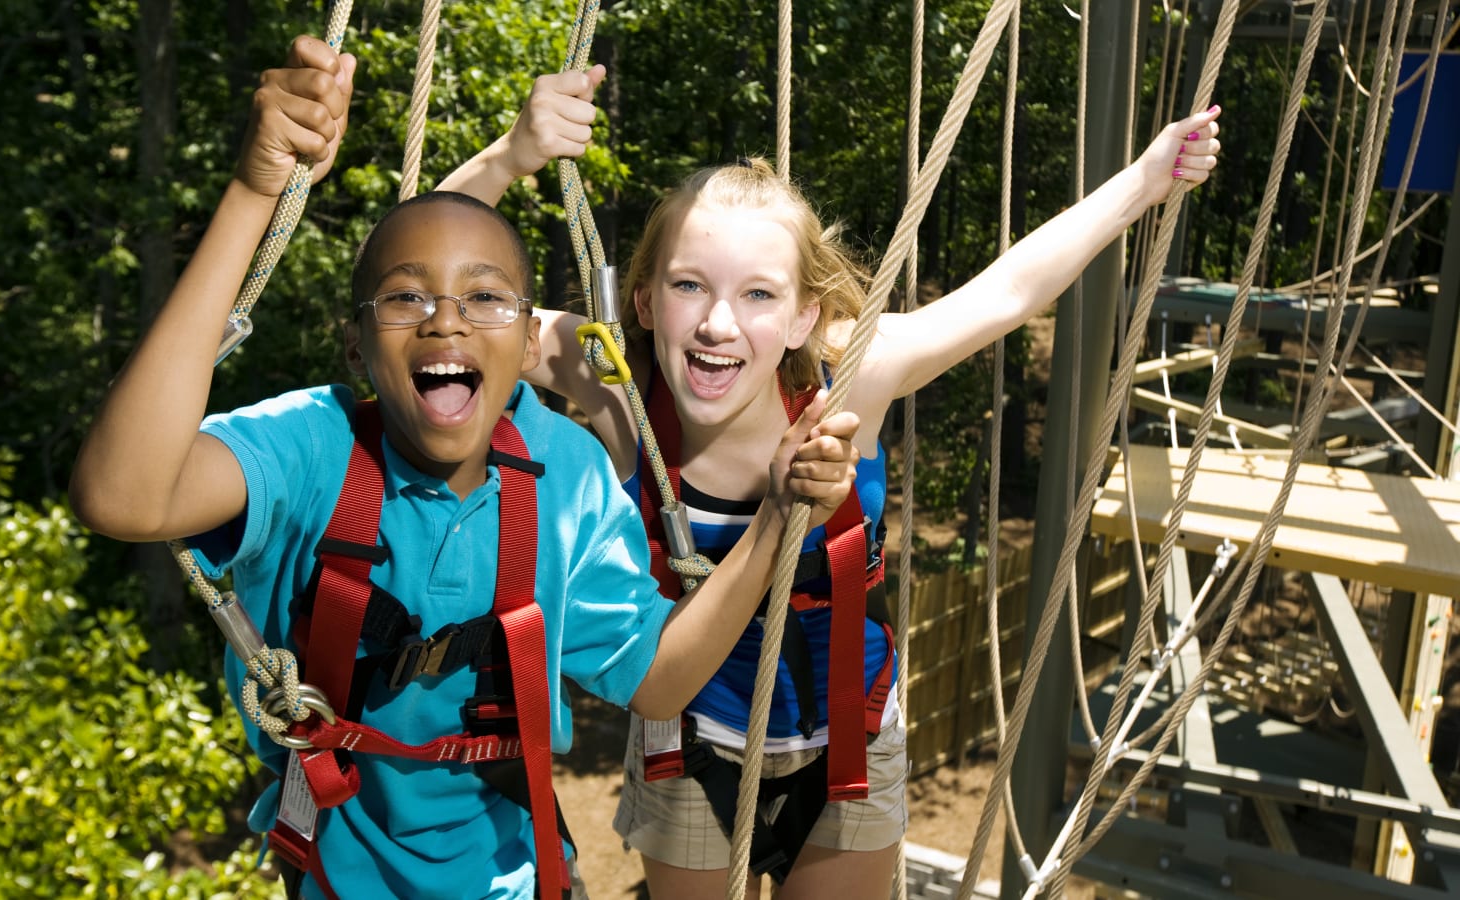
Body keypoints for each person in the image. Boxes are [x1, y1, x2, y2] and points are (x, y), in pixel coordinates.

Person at [69, 36, 862, 900]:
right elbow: (120, 494)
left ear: (529, 345)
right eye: (408, 299)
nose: (447, 321)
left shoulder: (565, 475)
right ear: (358, 342)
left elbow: (657, 676)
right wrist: (255, 194)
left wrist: (780, 517)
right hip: (338, 878)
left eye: (483, 298)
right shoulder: (312, 450)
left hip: (516, 878)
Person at [441, 67, 1223, 899]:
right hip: (685, 739)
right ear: (640, 299)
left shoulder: (851, 376)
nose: (717, 323)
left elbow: (1008, 294)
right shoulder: (618, 386)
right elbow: (437, 291)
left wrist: (1145, 179)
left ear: (807, 317)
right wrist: (509, 157)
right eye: (687, 286)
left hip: (844, 735)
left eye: (758, 295)